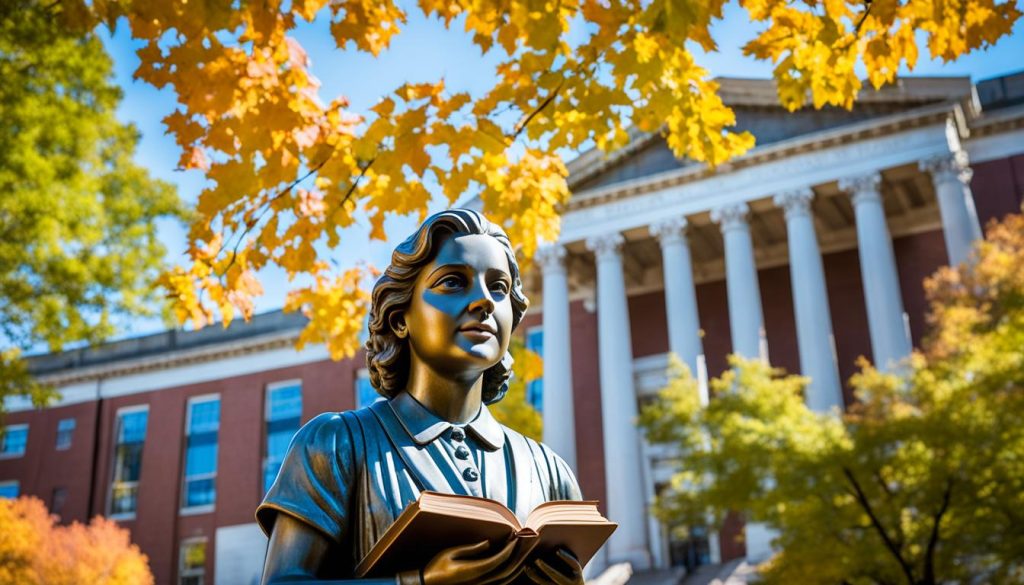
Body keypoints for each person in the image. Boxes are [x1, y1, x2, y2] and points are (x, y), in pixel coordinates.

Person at [257, 209, 585, 584]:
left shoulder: (551, 473)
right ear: (400, 318)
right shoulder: (335, 444)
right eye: (452, 283)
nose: (485, 301)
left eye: (499, 287)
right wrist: (417, 582)